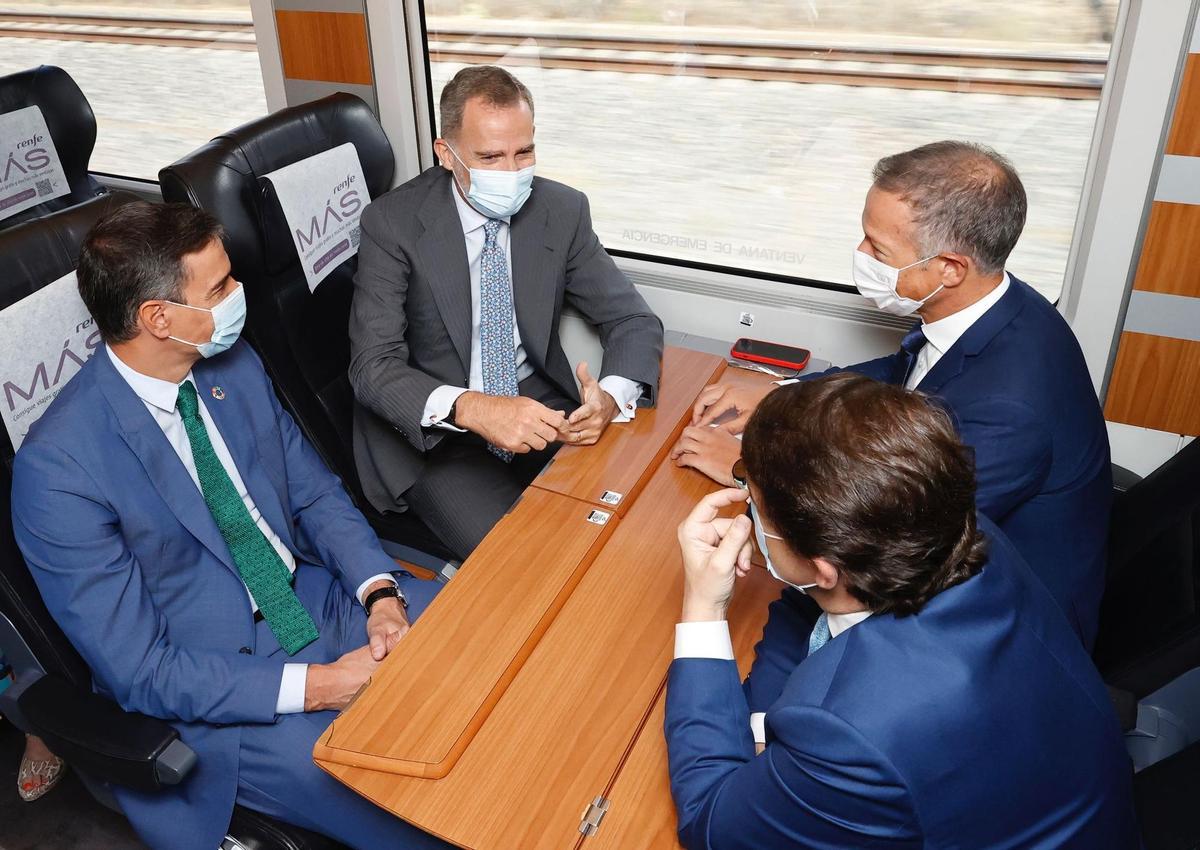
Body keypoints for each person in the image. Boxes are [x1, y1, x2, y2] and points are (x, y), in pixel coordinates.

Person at [10, 202, 451, 850]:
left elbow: (315, 496)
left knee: (485, 654)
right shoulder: (58, 470)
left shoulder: (233, 367)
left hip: (317, 599)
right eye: (219, 288)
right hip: (217, 687)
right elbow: (145, 671)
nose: (240, 296)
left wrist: (379, 594)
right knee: (418, 799)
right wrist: (324, 686)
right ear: (158, 318)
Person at [667, 373, 1138, 849]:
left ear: (822, 566)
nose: (748, 512)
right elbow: (805, 602)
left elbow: (711, 826)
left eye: (755, 505)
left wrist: (703, 606)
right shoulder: (945, 524)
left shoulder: (849, 734)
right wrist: (763, 725)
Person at [674, 141, 1110, 648]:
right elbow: (905, 372)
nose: (861, 255)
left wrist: (749, 465)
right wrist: (782, 393)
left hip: (999, 628)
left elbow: (879, 533)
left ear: (949, 268)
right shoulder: (994, 306)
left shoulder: (1009, 413)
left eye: (878, 249)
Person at [349, 65, 664, 560]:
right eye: (490, 156)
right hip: (435, 437)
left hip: (538, 402)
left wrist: (610, 396)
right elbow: (372, 368)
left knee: (622, 527)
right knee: (524, 560)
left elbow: (633, 320)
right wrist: (476, 408)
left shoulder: (561, 211)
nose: (512, 172)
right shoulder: (393, 224)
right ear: (446, 154)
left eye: (524, 152)